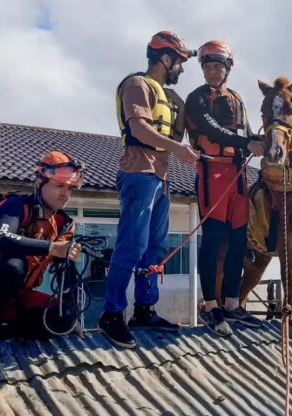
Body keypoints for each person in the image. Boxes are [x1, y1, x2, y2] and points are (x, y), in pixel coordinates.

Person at [98, 31, 200, 349]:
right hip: (138, 173)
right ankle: (111, 314)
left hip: (160, 178)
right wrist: (178, 149)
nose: (181, 69)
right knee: (132, 244)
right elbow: (140, 128)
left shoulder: (166, 96)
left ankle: (144, 309)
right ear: (165, 59)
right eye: (180, 62)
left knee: (155, 248)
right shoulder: (137, 85)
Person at [0, 150, 85, 361]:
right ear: (40, 183)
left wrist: (72, 317)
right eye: (59, 186)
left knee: (63, 319)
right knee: (14, 264)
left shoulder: (64, 223)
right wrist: (51, 247)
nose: (65, 194)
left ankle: (5, 332)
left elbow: (65, 271)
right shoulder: (16, 205)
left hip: (17, 296)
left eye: (69, 188)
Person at [185, 40, 264, 337]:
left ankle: (232, 303)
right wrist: (247, 143)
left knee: (238, 241)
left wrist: (265, 140)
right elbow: (210, 130)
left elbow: (247, 133)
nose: (213, 71)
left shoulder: (238, 99)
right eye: (208, 66)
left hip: (239, 172)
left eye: (218, 66)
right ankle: (210, 306)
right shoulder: (197, 98)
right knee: (214, 240)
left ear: (228, 68)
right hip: (212, 172)